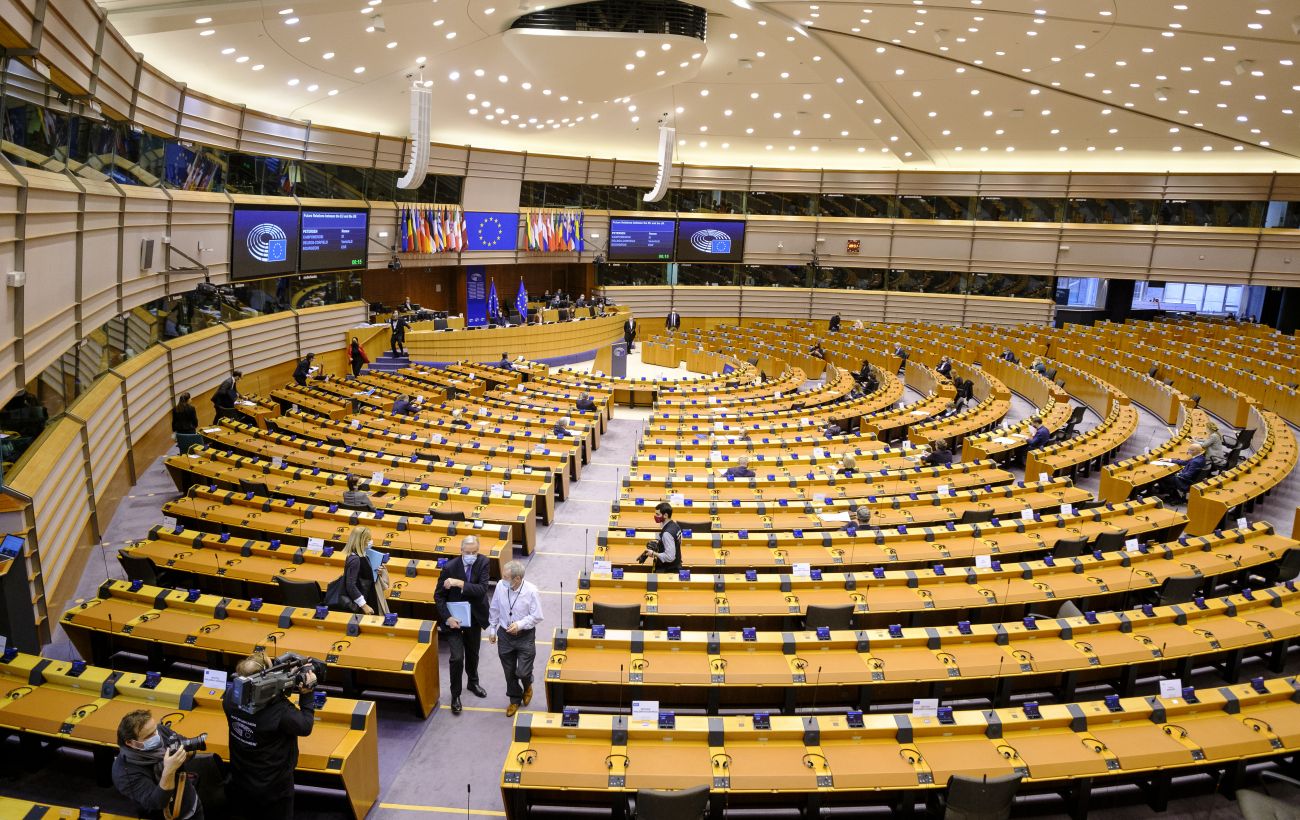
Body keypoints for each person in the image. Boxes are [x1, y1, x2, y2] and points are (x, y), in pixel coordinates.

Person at [223, 650, 316, 819]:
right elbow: (305, 726)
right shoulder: (279, 711)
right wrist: (307, 695)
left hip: (241, 779)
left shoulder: (230, 697)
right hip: (274, 789)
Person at [112, 709, 204, 819]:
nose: (157, 736)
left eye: (155, 730)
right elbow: (157, 802)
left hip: (192, 805)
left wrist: (183, 754)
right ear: (130, 742)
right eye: (149, 736)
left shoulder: (160, 731)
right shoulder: (124, 772)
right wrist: (169, 770)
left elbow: (190, 748)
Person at [436, 535, 491, 713]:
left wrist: (459, 583)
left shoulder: (483, 562)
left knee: (473, 653)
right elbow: (439, 596)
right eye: (468, 552)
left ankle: (473, 683)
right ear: (461, 551)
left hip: (474, 618)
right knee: (457, 658)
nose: (471, 556)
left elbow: (482, 589)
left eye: (474, 552)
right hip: (454, 620)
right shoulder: (449, 567)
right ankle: (455, 695)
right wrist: (448, 618)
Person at [487, 559, 544, 717]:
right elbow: (495, 608)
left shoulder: (531, 591)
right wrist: (492, 629)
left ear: (517, 579)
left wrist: (520, 624)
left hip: (525, 636)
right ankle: (514, 699)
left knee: (523, 672)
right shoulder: (501, 586)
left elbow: (537, 616)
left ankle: (528, 685)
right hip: (504, 635)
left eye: (506, 577)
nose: (502, 579)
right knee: (509, 671)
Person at [339, 526, 385, 615]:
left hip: (367, 596)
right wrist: (364, 605)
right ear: (361, 541)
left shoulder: (364, 555)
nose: (371, 541)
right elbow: (350, 585)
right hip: (361, 604)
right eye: (369, 539)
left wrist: (378, 572)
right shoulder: (355, 560)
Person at [638, 502, 681, 573]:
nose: (655, 516)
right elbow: (676, 543)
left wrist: (653, 553)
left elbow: (670, 557)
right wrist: (660, 543)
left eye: (658, 514)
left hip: (668, 570)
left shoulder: (667, 533)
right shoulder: (675, 525)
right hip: (677, 565)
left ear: (665, 515)